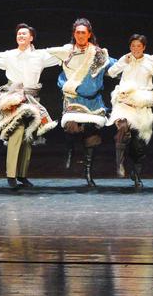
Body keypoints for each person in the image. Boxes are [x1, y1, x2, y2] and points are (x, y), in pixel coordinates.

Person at [0, 23, 60, 189]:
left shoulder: (40, 55)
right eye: (19, 34)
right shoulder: (9, 55)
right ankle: (11, 175)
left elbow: (63, 55)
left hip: (31, 99)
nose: (21, 36)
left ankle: (22, 174)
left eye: (24, 34)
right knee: (17, 131)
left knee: (29, 136)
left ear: (31, 38)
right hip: (14, 98)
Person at [46, 18, 113, 187]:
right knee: (71, 126)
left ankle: (88, 172)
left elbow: (114, 66)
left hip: (92, 100)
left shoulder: (98, 53)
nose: (80, 35)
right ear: (74, 34)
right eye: (78, 32)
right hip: (74, 97)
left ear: (89, 34)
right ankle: (70, 149)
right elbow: (45, 55)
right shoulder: (67, 51)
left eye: (83, 32)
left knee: (92, 133)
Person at [107, 33, 153, 187]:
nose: (136, 49)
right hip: (125, 102)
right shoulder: (126, 59)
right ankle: (119, 164)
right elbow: (111, 73)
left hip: (142, 104)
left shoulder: (150, 61)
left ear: (144, 47)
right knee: (123, 127)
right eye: (133, 46)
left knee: (138, 144)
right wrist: (123, 63)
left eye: (139, 46)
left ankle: (137, 173)